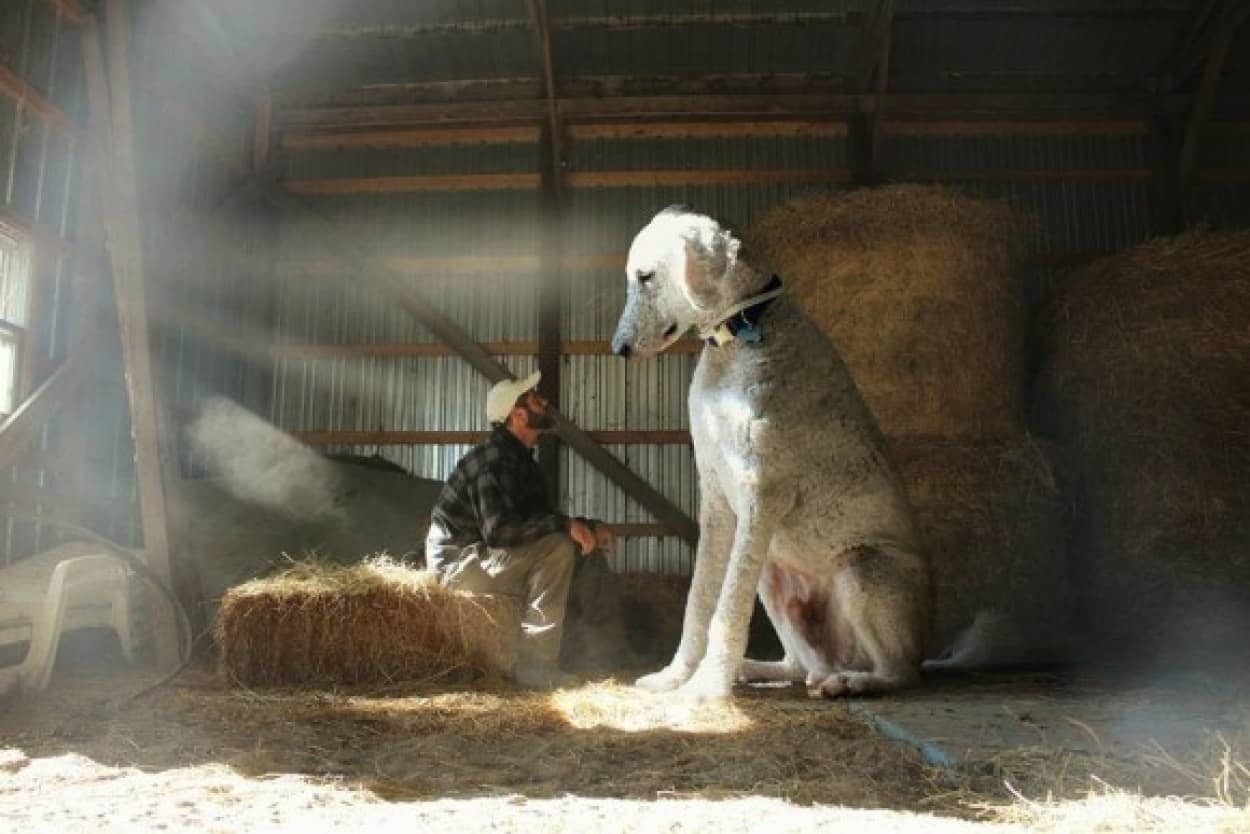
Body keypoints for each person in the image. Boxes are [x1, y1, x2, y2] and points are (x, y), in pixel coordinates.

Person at [424, 371, 615, 689]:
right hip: (459, 563)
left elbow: (539, 521)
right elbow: (499, 533)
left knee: (584, 550)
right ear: (518, 414)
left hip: (491, 557)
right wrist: (565, 526)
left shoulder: (523, 463)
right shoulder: (493, 462)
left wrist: (591, 528)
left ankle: (603, 654)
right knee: (558, 548)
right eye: (534, 398)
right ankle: (536, 667)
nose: (545, 402)